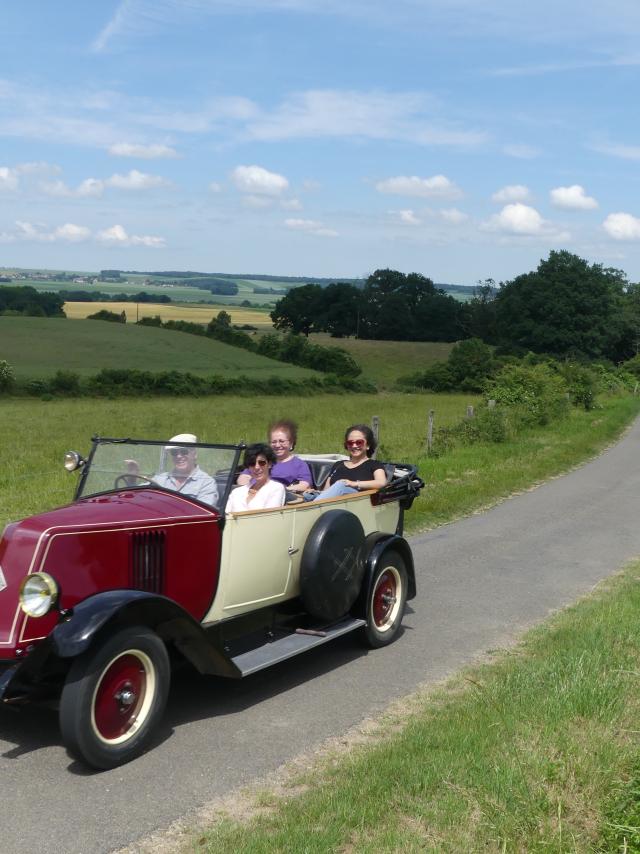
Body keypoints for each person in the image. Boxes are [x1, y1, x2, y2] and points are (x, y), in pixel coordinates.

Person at [128, 433, 219, 506]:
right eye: (174, 452)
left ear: (194, 454)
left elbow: (204, 514)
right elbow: (136, 496)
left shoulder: (206, 482)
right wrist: (132, 477)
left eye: (184, 451)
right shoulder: (160, 479)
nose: (179, 456)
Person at [311, 424, 387, 500]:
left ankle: (311, 508)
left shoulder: (374, 465)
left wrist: (354, 484)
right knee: (308, 495)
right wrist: (315, 493)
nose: (354, 446)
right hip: (331, 505)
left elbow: (381, 482)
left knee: (342, 485)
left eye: (359, 442)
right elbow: (326, 491)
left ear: (368, 445)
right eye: (350, 443)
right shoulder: (338, 465)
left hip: (357, 502)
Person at [236, 419, 312, 494]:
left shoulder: (299, 465)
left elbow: (304, 485)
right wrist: (253, 489)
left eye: (282, 441)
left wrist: (279, 490)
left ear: (291, 443)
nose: (277, 445)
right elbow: (242, 478)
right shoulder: (261, 461)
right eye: (274, 442)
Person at [226, 443, 286, 513]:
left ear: (269, 464)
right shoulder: (236, 492)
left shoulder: (276, 488)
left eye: (262, 463)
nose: (256, 467)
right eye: (252, 463)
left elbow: (269, 517)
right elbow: (225, 517)